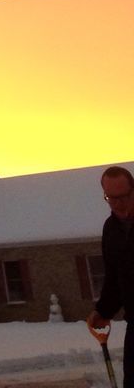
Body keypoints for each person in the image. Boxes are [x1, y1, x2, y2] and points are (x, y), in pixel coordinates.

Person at [87, 165, 134, 388]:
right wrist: (103, 310)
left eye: (123, 196)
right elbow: (115, 277)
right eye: (110, 197)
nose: (117, 203)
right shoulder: (111, 229)